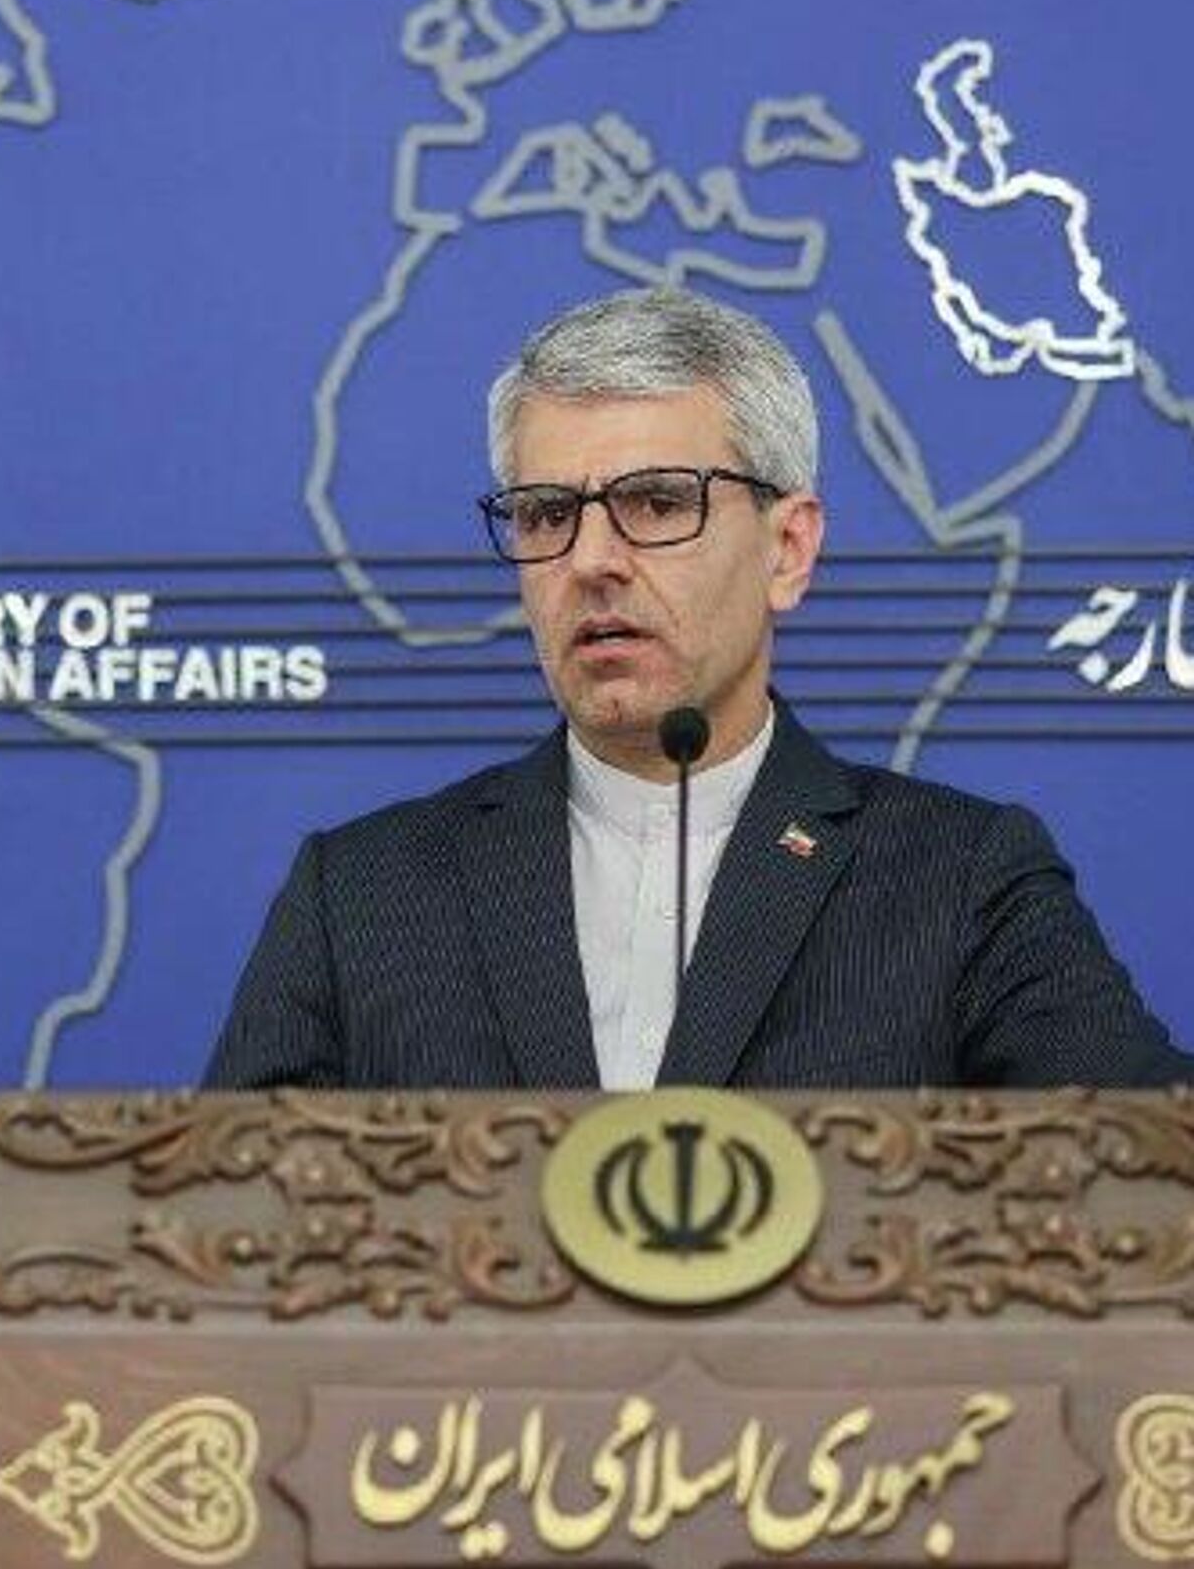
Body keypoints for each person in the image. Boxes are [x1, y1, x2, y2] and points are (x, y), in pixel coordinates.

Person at [203, 285, 1191, 1090]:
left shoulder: (961, 881)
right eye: (545, 513)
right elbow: (213, 1226)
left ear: (787, 548)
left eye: (657, 502)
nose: (591, 559)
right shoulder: (360, 896)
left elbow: (1151, 1178)